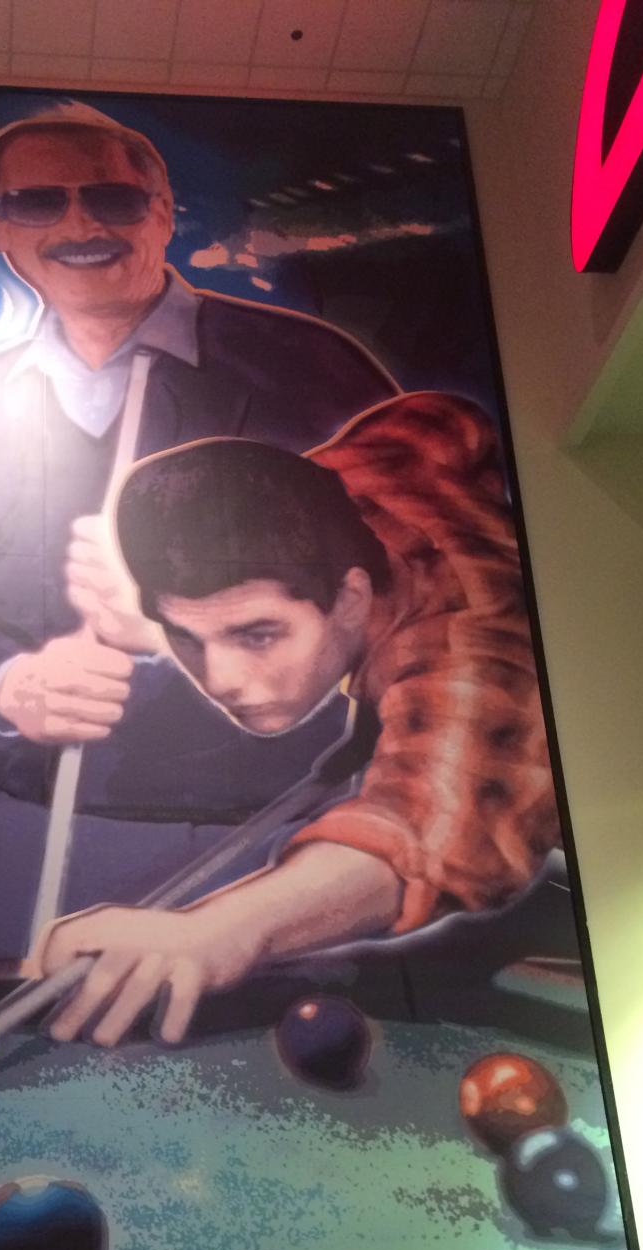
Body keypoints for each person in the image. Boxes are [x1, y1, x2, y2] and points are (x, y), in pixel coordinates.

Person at [0, 105, 399, 956]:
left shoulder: (312, 372)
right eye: (37, 203)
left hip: (269, 834)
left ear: (162, 212)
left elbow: (420, 595)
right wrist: (5, 687)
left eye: (111, 198)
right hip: (15, 829)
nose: (79, 227)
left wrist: (172, 610)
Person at [36, 390, 560, 1046]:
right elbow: (445, 420)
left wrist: (220, 928)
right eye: (186, 636)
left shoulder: (468, 654)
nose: (221, 681)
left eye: (257, 634)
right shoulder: (351, 480)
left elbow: (422, 830)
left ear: (352, 598)